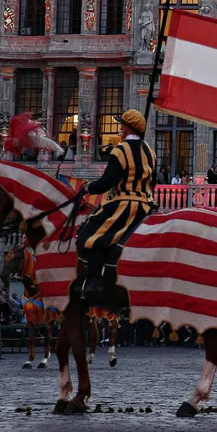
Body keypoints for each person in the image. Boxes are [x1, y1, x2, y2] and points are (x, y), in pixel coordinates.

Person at [74, 109, 157, 299]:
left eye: (122, 125)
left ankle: (94, 281)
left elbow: (107, 182)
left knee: (93, 231)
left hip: (126, 204)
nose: (121, 129)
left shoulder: (120, 150)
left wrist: (88, 188)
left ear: (127, 129)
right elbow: (154, 181)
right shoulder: (150, 152)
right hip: (147, 204)